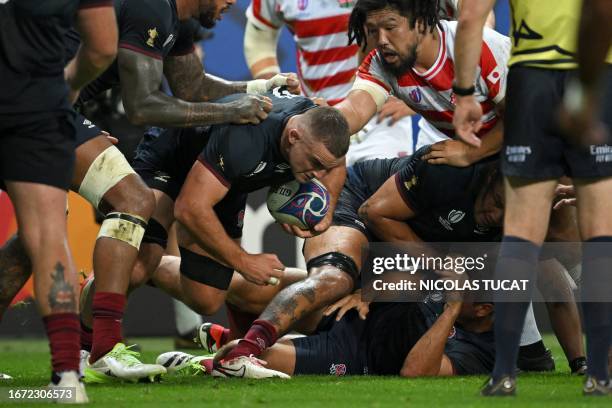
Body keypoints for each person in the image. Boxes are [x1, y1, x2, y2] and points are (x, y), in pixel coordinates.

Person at [83, 90, 349, 375]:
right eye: (315, 163)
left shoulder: (317, 127)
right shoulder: (248, 140)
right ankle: (87, 345)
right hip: (172, 158)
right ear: (293, 137)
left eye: (325, 166)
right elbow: (188, 208)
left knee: (206, 298)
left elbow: (335, 162)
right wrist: (244, 261)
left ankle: (116, 269)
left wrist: (326, 210)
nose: (319, 174)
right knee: (137, 266)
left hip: (225, 180)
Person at [451, 0, 612, 396]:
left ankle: (504, 373)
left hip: (531, 82)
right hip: (596, 73)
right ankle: (600, 373)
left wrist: (465, 93)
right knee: (599, 235)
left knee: (521, 232)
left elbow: (470, 14)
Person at [0, 0, 117, 401]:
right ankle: (67, 375)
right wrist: (67, 82)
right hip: (36, 105)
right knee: (48, 232)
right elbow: (103, 46)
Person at [159, 289, 496, 379]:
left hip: (352, 354)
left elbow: (415, 371)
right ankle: (230, 336)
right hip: (353, 313)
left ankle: (203, 362)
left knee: (249, 356)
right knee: (265, 287)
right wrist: (371, 290)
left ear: (482, 309)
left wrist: (450, 308)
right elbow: (403, 275)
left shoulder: (478, 352)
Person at [243, 0, 415, 166]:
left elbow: (430, 23)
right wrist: (277, 88)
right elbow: (260, 36)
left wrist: (412, 94)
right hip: (315, 121)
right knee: (314, 196)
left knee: (384, 192)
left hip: (380, 120)